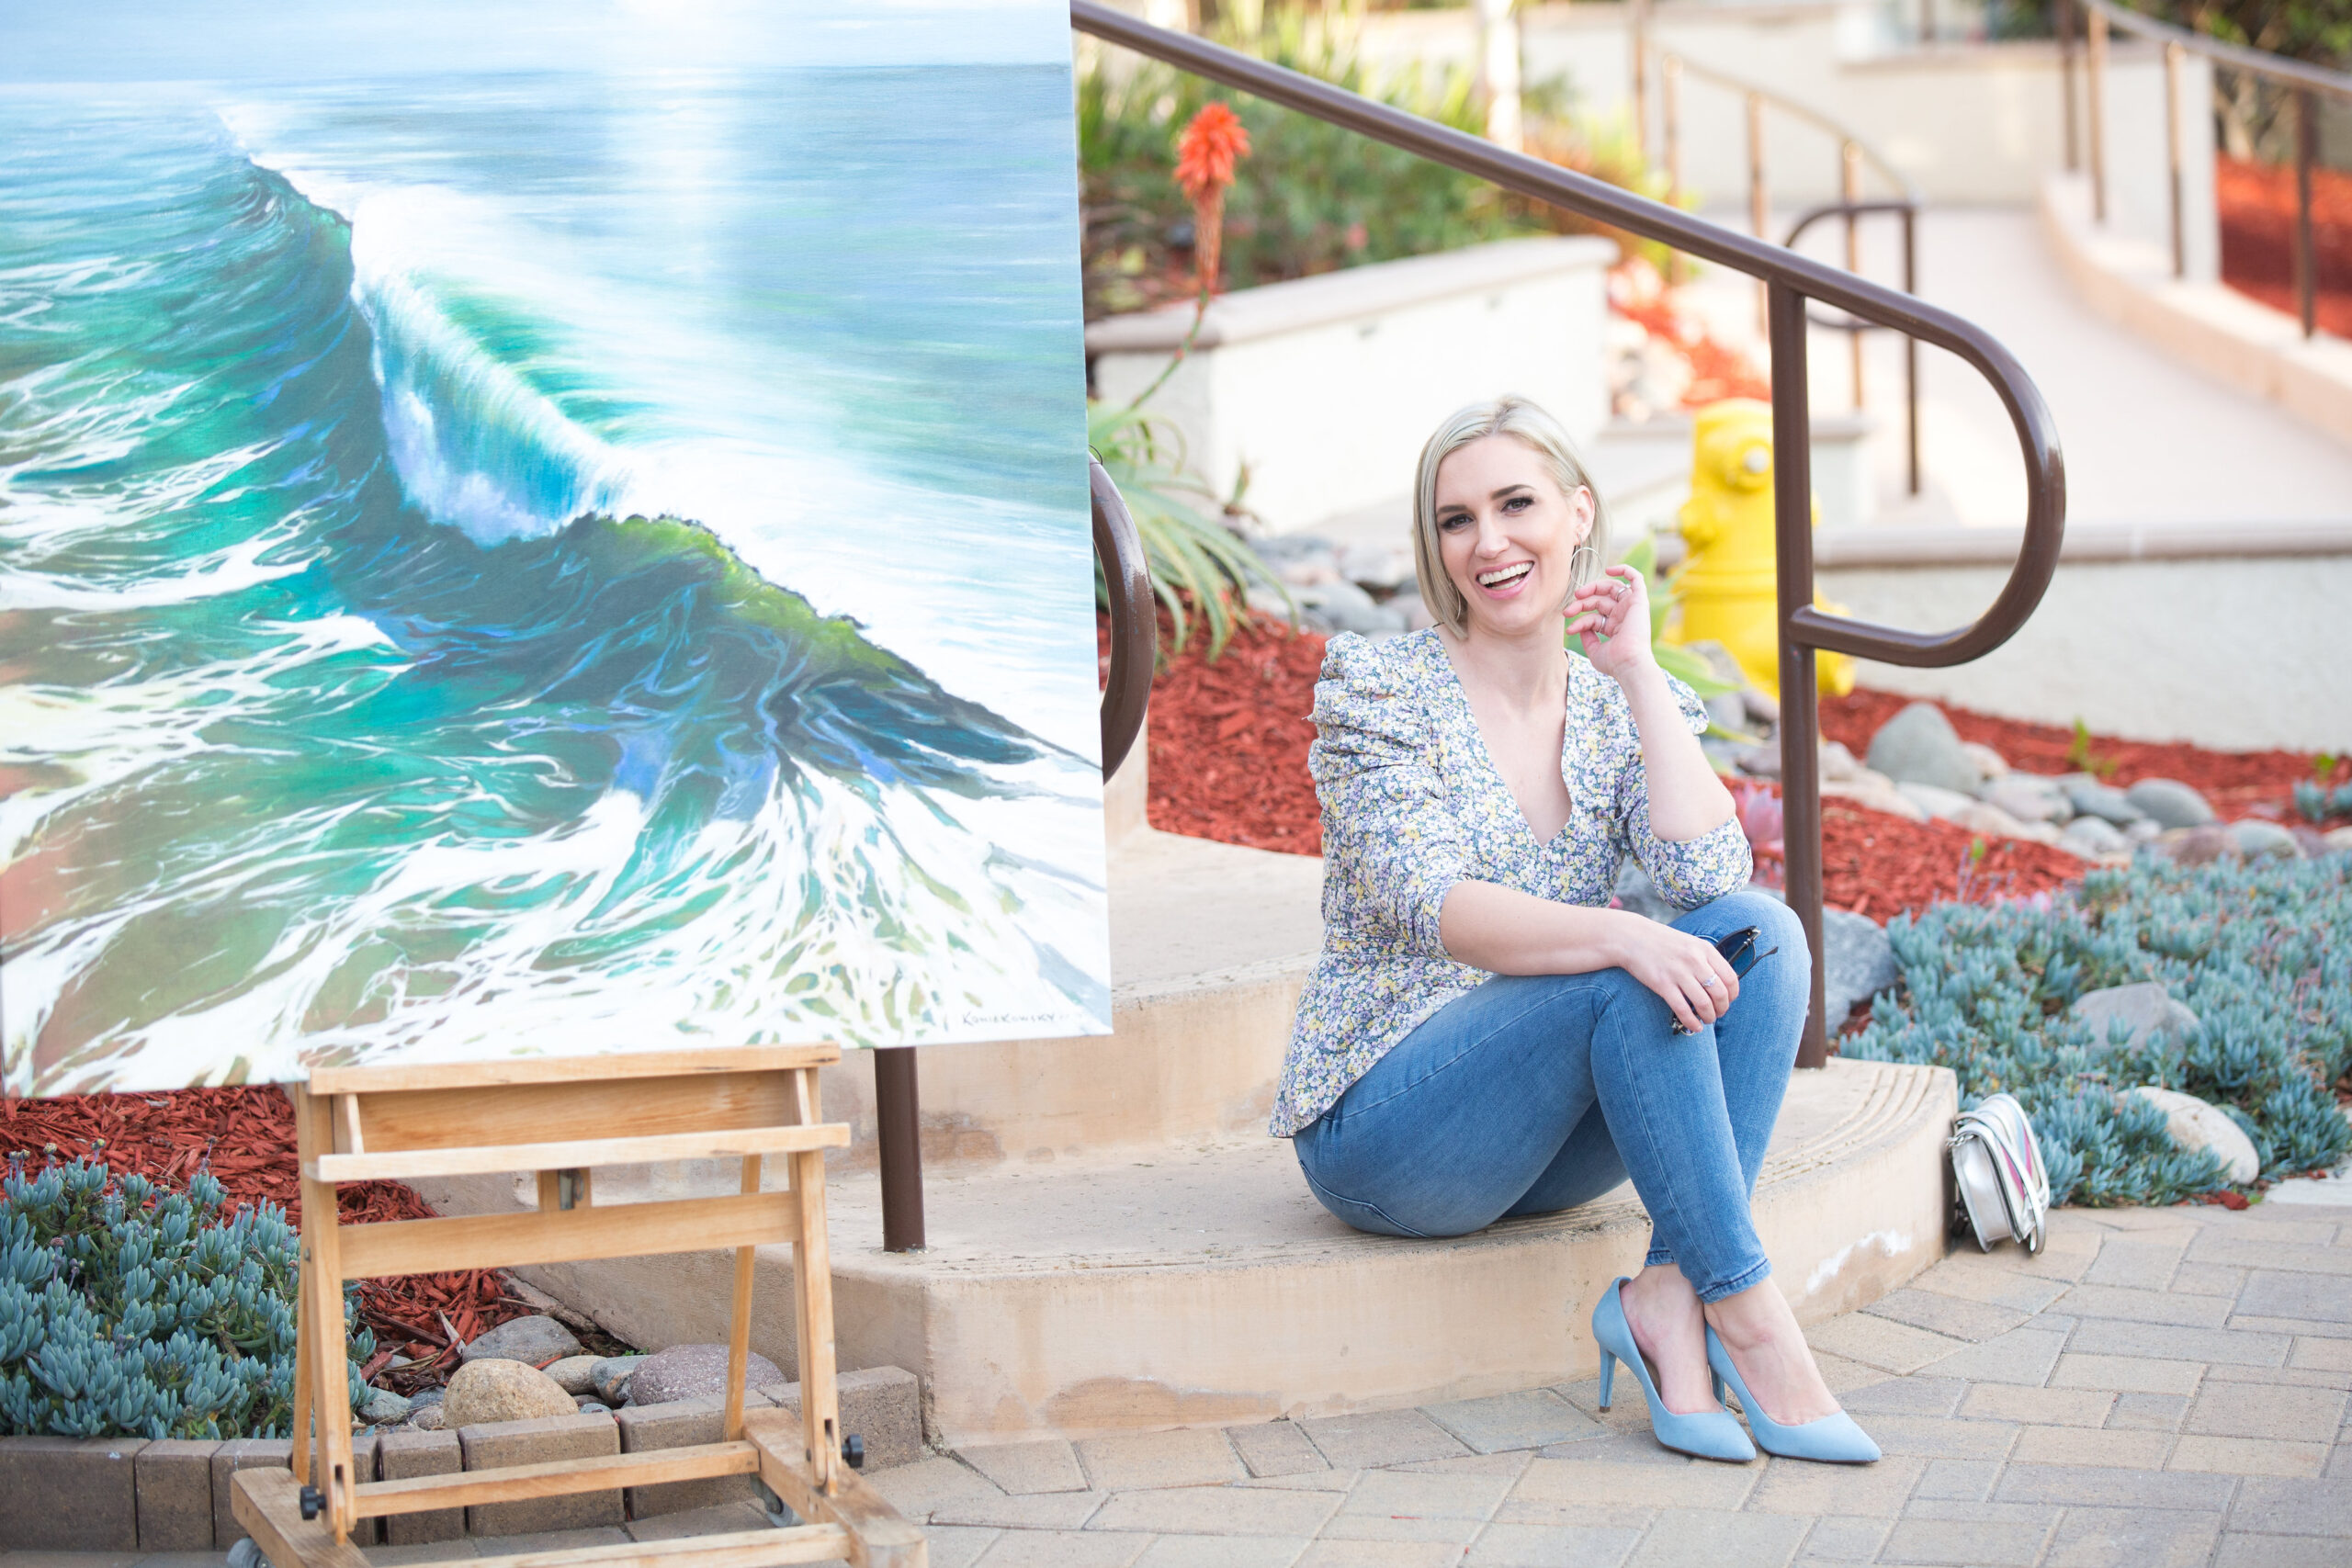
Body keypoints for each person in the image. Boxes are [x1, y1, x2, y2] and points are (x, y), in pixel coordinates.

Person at [1272, 394, 1877, 1465]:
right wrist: (1624, 940)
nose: (1490, 543)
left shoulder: (1610, 707)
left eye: (1516, 505)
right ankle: (1753, 1321)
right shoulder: (1378, 690)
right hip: (1392, 1132)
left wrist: (1640, 671)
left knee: (1765, 932)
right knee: (1621, 968)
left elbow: (1705, 874)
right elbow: (1435, 907)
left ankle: (1664, 1294)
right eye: (1457, 520)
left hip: (1545, 1144)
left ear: (1579, 514)